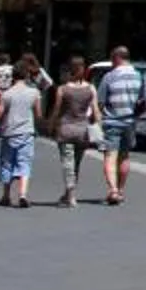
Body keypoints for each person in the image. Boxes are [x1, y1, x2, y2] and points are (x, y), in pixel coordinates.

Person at [94, 46, 146, 203]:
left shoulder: (109, 77)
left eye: (112, 59)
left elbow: (100, 102)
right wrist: (137, 115)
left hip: (112, 121)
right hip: (130, 122)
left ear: (117, 58)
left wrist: (101, 118)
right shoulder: (140, 76)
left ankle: (113, 190)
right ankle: (121, 190)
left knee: (110, 156)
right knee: (124, 156)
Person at [47, 56, 99, 206]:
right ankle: (68, 193)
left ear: (70, 70)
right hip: (82, 130)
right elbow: (95, 111)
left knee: (67, 162)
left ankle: (70, 195)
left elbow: (57, 109)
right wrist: (99, 128)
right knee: (76, 163)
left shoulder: (62, 89)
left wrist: (51, 125)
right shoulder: (90, 88)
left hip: (65, 129)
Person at [0, 54, 44, 208]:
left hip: (9, 132)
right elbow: (39, 114)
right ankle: (22, 194)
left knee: (7, 163)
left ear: (13, 76)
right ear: (27, 74)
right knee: (24, 163)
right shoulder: (34, 93)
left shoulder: (6, 94)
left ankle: (6, 195)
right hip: (27, 132)